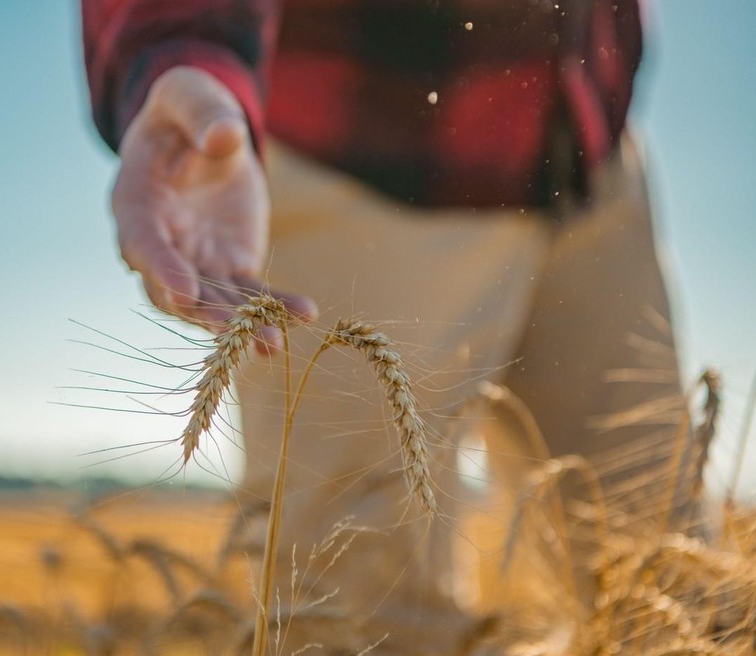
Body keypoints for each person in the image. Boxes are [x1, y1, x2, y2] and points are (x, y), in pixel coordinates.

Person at [81, 0, 687, 650]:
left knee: (672, 586)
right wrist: (187, 50)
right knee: (360, 619)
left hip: (591, 152)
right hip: (363, 154)